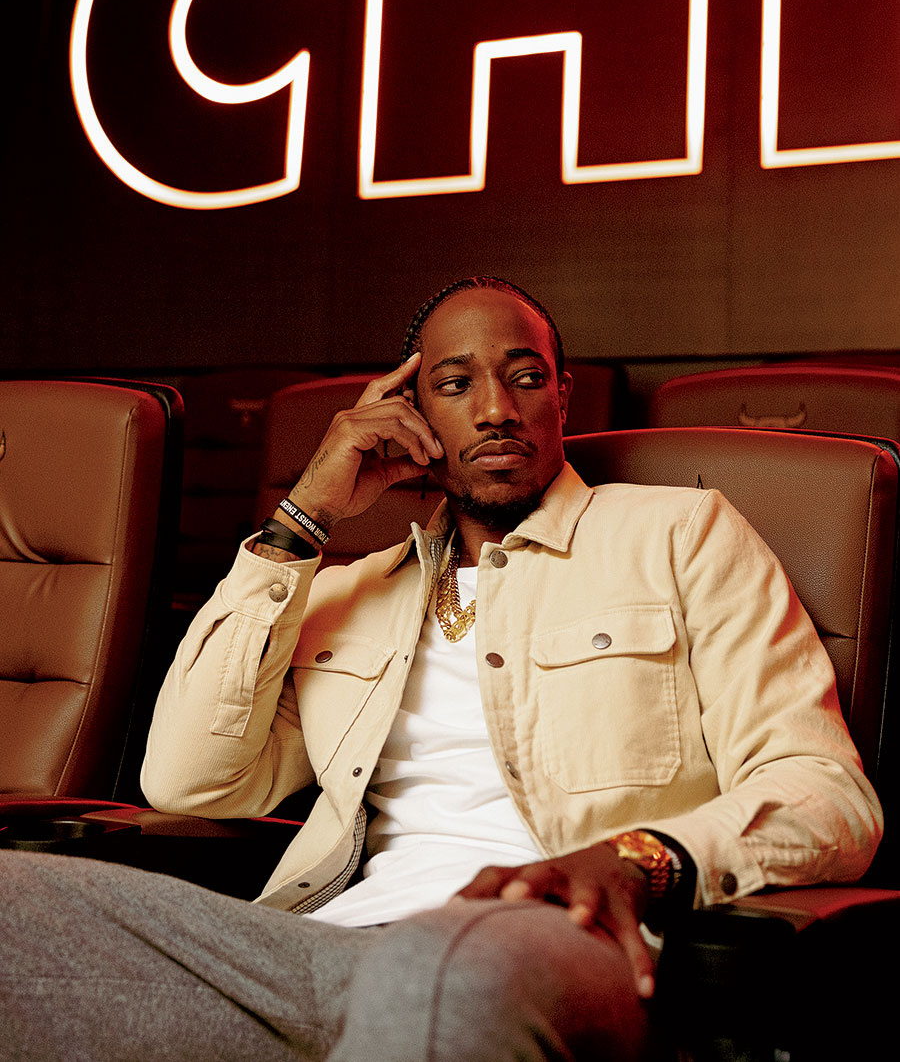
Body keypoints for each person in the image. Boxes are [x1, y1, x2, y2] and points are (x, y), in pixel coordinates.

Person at [0, 278, 882, 1062]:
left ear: (562, 396)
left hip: (553, 942)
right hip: (323, 947)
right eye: (455, 384)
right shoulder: (352, 591)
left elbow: (826, 792)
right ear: (413, 414)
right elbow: (188, 781)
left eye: (525, 376)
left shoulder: (680, 534)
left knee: (436, 965)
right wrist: (303, 518)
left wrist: (636, 857)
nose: (496, 408)